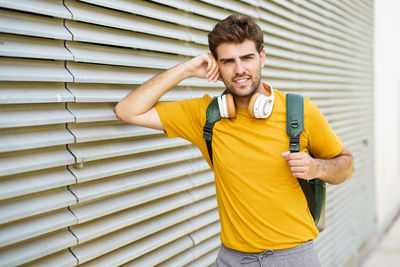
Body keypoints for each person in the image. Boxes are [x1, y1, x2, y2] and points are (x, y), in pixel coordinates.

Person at [115, 14, 354, 267]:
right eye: (228, 61)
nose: (239, 69)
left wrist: (317, 168)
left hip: (294, 257)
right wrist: (185, 69)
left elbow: (347, 165)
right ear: (216, 67)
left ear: (262, 58)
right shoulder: (205, 116)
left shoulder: (299, 111)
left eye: (247, 58)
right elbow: (128, 110)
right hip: (233, 259)